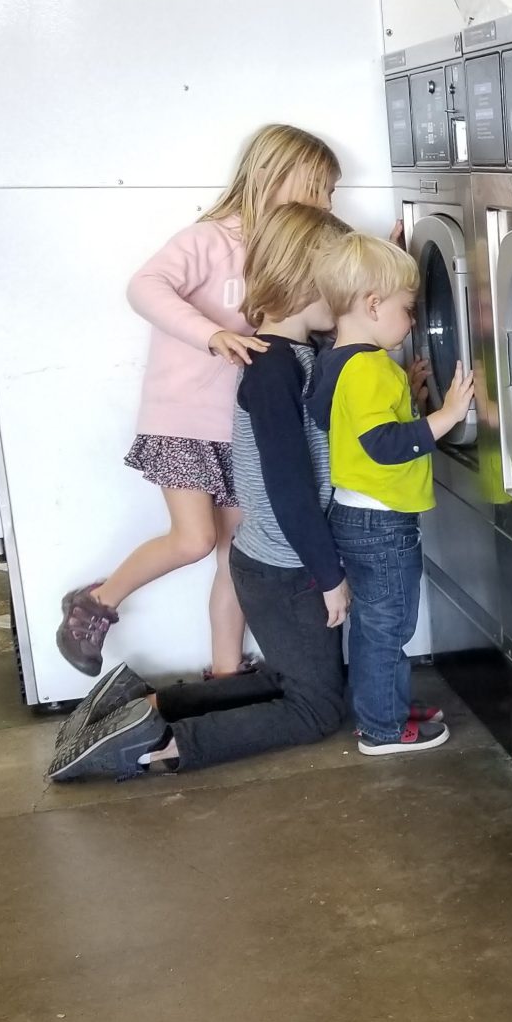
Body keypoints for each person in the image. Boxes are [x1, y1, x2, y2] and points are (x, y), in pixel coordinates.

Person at [50, 202, 381, 781]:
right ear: (309, 281)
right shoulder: (276, 367)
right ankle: (158, 748)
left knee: (285, 681)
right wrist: (330, 575)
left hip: (272, 560)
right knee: (317, 709)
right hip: (287, 567)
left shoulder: (293, 355)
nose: (349, 299)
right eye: (343, 285)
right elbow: (289, 487)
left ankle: (147, 707)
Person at [55, 124, 342, 679]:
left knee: (235, 557)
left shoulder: (292, 253)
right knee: (195, 539)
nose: (329, 202)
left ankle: (226, 675)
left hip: (242, 432)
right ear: (271, 177)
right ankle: (96, 602)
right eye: (320, 188)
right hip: (184, 420)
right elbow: (145, 286)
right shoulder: (211, 239)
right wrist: (210, 334)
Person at [312, 232, 475, 756]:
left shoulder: (338, 360)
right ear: (373, 305)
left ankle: (384, 705)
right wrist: (444, 416)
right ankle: (381, 728)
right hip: (383, 522)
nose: (412, 323)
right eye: (408, 310)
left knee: (377, 625)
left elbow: (332, 419)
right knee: (389, 626)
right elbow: (382, 445)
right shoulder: (367, 367)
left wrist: (405, 388)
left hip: (355, 515)